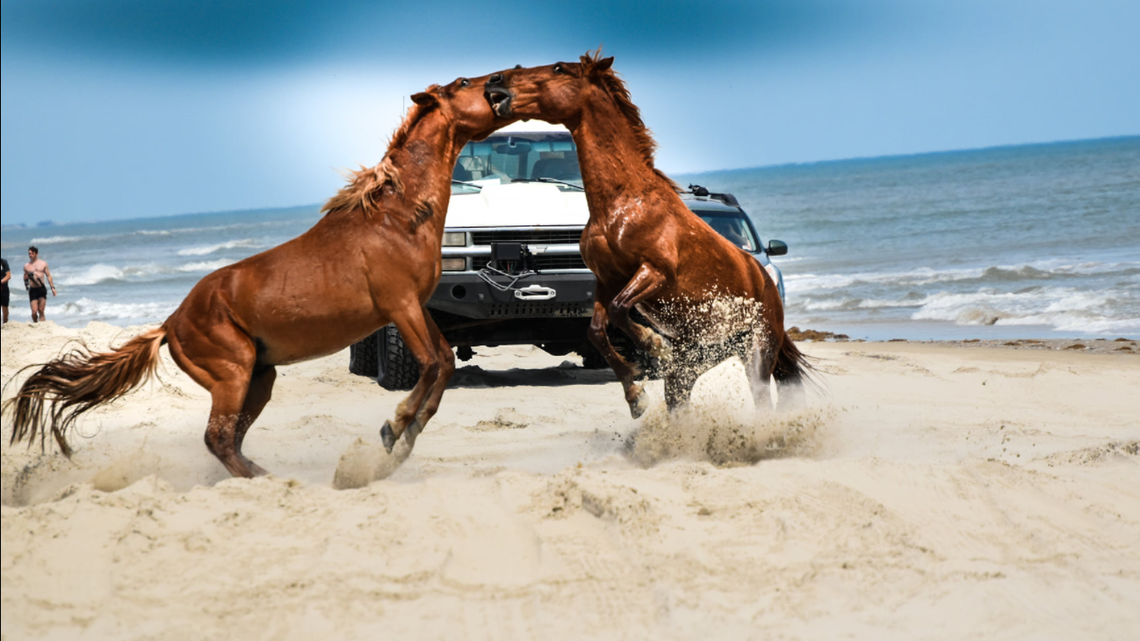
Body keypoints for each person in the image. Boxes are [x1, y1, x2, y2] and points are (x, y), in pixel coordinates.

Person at [23, 246, 56, 323]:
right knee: (34, 311)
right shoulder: (26, 266)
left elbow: (48, 276)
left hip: (41, 289)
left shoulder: (43, 264)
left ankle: (42, 326)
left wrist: (52, 288)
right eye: (29, 253)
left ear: (36, 254)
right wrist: (26, 280)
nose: (30, 255)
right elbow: (25, 278)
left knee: (41, 310)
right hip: (32, 290)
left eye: (32, 253)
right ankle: (35, 323)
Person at [1, 256, 10, 324]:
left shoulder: (3, 262)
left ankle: (5, 323)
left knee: (5, 306)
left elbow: (8, 275)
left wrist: (1, 281)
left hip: (3, 287)